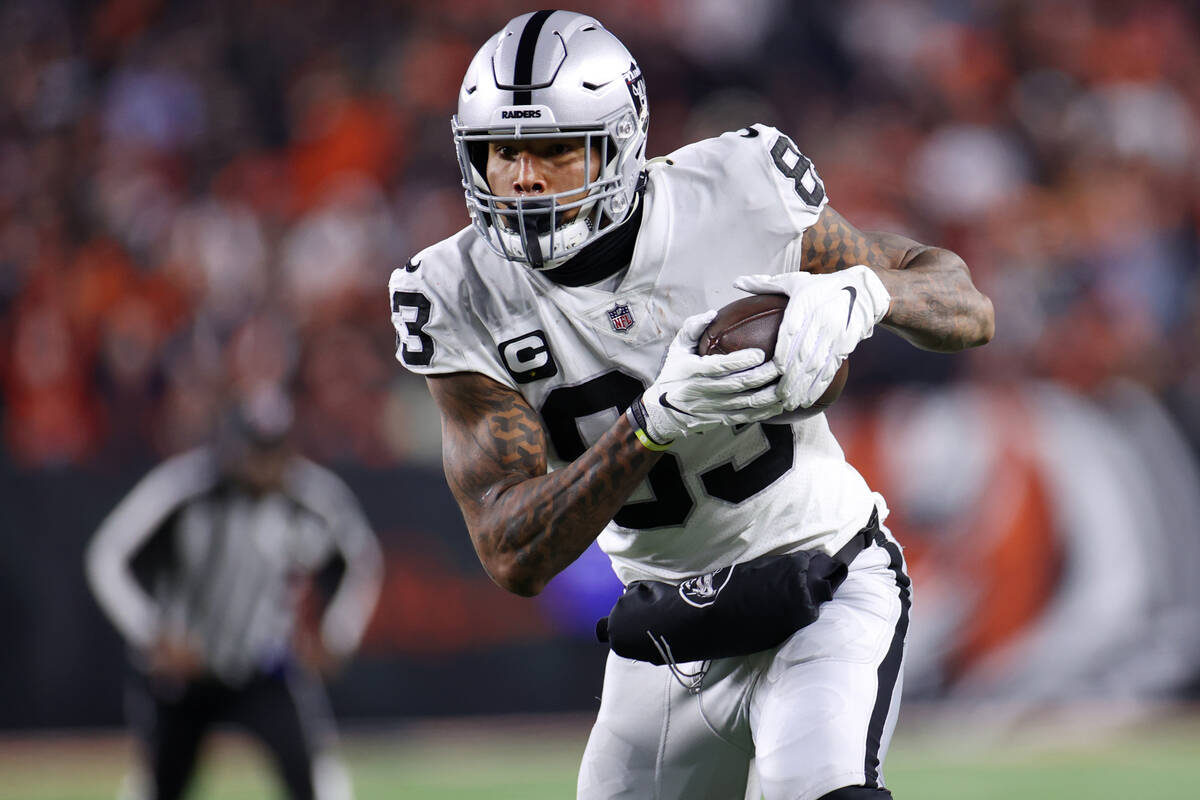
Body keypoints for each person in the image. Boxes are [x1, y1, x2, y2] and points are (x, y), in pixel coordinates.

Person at [388, 10, 993, 800]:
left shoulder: (740, 191)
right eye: (504, 152)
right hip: (667, 630)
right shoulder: (455, 292)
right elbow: (512, 553)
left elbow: (967, 306)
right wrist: (651, 427)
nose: (524, 177)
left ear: (621, 143)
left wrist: (868, 293)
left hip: (823, 578)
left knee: (821, 788)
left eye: (555, 149)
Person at [85, 386, 383, 800]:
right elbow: (108, 555)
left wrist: (337, 636)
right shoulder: (185, 488)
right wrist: (152, 631)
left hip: (263, 666)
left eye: (273, 451)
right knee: (158, 786)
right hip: (186, 672)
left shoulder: (310, 496)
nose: (264, 466)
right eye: (256, 451)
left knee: (318, 782)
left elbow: (361, 560)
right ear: (232, 445)